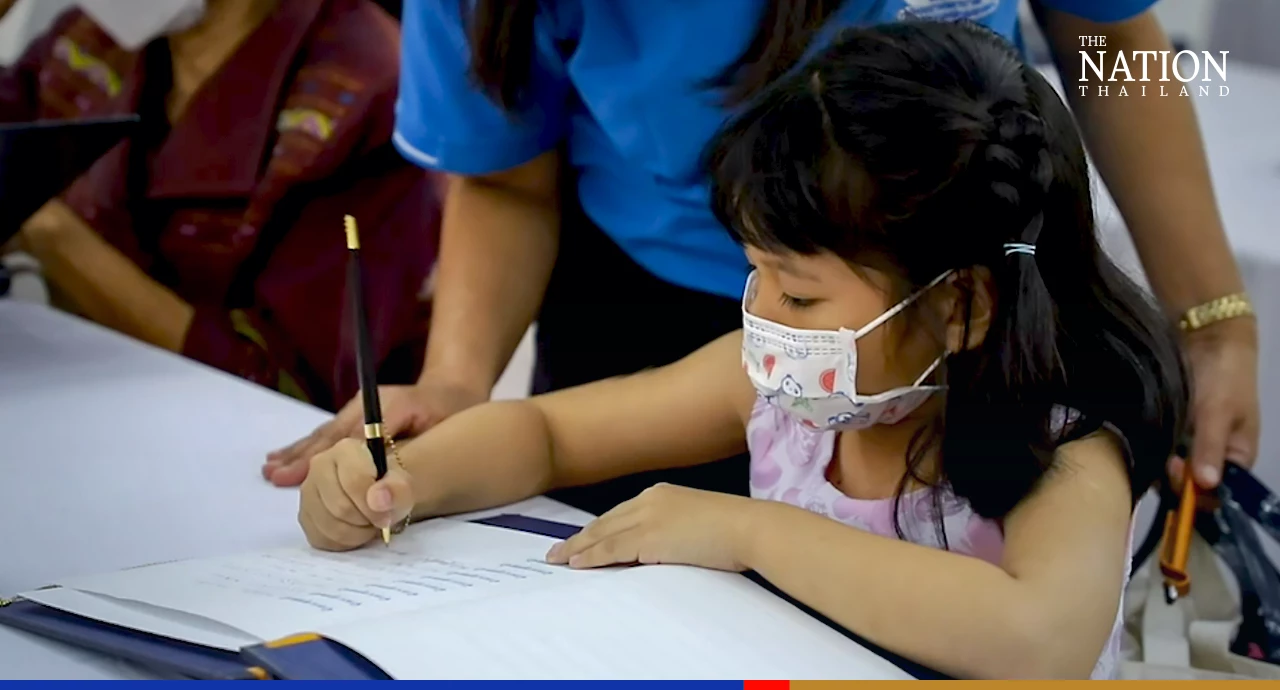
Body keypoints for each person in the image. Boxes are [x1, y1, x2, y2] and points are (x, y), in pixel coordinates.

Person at [296, 21, 1189, 679]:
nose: (759, 312)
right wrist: (407, 479)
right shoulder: (771, 387)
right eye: (754, 273)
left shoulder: (1066, 446)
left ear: (959, 306)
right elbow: (549, 437)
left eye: (798, 293)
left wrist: (748, 529)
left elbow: (1040, 639)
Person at [267, 0, 1253, 514]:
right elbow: (505, 177)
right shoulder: (745, 366)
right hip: (634, 305)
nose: (768, 326)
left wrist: (1211, 313)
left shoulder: (1046, 437)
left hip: (933, 318)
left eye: (789, 291)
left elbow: (1109, 44)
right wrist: (448, 399)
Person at [2, 0, 439, 411]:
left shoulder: (368, 92)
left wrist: (47, 228)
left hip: (267, 452)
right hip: (79, 403)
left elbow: (292, 388)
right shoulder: (98, 39)